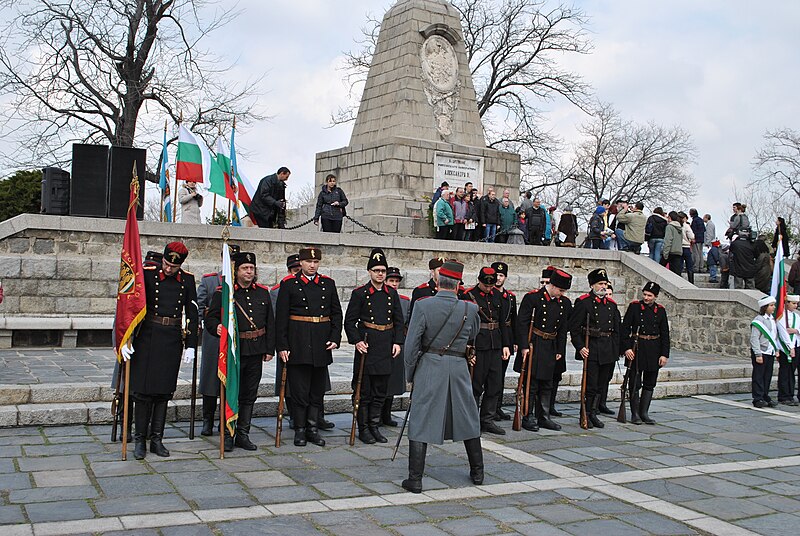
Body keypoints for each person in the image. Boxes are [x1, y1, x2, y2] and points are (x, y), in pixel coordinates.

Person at [402, 260, 483, 493]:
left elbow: (411, 345)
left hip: (429, 365)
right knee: (468, 416)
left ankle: (415, 479)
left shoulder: (423, 305)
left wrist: (410, 373)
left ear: (437, 281)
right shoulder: (470, 308)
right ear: (458, 284)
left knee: (420, 419)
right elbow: (474, 333)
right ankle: (478, 472)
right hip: (458, 366)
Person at [124, 242, 198, 460]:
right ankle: (140, 439)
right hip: (147, 336)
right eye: (166, 264)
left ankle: (157, 439)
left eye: (173, 267)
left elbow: (192, 313)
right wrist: (127, 337)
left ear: (180, 265)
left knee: (164, 392)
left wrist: (192, 344)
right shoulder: (148, 275)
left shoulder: (187, 280)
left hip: (171, 338)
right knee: (143, 391)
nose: (168, 269)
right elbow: (132, 305)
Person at [206, 251, 275, 451]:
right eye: (245, 268)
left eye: (252, 268)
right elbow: (211, 318)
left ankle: (243, 434)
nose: (249, 272)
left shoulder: (262, 292)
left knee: (249, 394)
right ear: (236, 271)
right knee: (231, 393)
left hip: (256, 350)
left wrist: (269, 348)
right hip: (234, 352)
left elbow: (270, 322)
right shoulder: (224, 292)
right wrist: (216, 327)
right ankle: (228, 433)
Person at [275, 247, 343, 447]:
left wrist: (335, 337)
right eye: (308, 262)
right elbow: (281, 318)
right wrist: (282, 345)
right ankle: (300, 429)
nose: (312, 265)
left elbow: (336, 314)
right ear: (301, 263)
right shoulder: (289, 284)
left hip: (321, 341)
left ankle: (313, 428)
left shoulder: (327, 284)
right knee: (299, 391)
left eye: (316, 262)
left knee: (316, 391)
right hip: (298, 341)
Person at [344, 249, 405, 444]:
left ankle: (374, 425)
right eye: (377, 270)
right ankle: (363, 428)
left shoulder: (392, 294)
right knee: (365, 392)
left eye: (383, 270)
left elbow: (398, 320)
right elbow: (349, 321)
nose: (380, 274)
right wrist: (356, 341)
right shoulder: (360, 293)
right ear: (369, 272)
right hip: (367, 346)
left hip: (385, 345)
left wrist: (397, 342)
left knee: (380, 391)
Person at [515, 268, 573, 432]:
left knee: (547, 383)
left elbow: (562, 328)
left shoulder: (563, 303)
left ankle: (544, 416)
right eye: (560, 290)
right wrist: (524, 347)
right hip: (535, 343)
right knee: (531, 383)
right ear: (552, 285)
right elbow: (522, 324)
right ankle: (528, 415)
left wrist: (560, 350)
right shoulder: (533, 298)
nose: (561, 294)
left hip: (551, 345)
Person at [196, 243, 241, 437]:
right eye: (228, 259)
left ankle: (227, 418)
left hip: (234, 338)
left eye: (234, 261)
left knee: (230, 379)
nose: (231, 264)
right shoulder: (209, 281)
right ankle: (207, 419)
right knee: (211, 379)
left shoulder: (241, 282)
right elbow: (199, 307)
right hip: (214, 336)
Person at [569, 268, 621, 429]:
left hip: (608, 349)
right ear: (592, 285)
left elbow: (617, 329)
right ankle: (586, 413)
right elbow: (575, 328)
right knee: (591, 385)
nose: (603, 287)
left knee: (602, 383)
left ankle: (594, 411)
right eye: (600, 284)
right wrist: (580, 347)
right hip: (592, 348)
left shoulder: (611, 304)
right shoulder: (583, 302)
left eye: (605, 283)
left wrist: (617, 350)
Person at [464, 267, 512, 435]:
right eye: (486, 285)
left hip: (495, 345)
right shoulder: (469, 296)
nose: (489, 288)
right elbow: (465, 325)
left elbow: (503, 323)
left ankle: (487, 420)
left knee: (494, 384)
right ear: (480, 280)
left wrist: (506, 345)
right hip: (478, 345)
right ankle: (472, 420)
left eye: (491, 285)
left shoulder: (499, 297)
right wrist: (468, 349)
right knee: (475, 385)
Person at [621, 282, 670, 425]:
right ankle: (635, 414)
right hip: (637, 348)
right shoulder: (635, 307)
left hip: (654, 349)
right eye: (645, 294)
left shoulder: (660, 310)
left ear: (655, 296)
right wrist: (627, 348)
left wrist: (664, 354)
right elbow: (625, 329)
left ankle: (644, 413)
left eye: (650, 295)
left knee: (650, 383)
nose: (646, 298)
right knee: (635, 382)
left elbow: (665, 334)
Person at [383, 267, 410, 426]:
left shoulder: (405, 301)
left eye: (396, 281)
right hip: (382, 341)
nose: (394, 284)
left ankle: (387, 413)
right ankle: (377, 414)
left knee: (393, 381)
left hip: (398, 343)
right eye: (391, 281)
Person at [490, 261, 516, 421]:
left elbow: (514, 320)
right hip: (492, 337)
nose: (498, 278)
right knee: (490, 376)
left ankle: (497, 407)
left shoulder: (510, 297)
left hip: (505, 338)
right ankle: (489, 408)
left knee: (500, 375)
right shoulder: (488, 294)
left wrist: (514, 341)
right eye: (496, 275)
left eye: (501, 275)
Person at [750, 296, 781, 408]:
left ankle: (764, 395)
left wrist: (776, 349)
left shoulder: (772, 319)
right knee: (759, 375)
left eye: (773, 305)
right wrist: (758, 354)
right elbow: (754, 338)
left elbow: (774, 336)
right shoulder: (759, 320)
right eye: (771, 305)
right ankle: (757, 398)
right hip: (761, 352)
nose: (774, 307)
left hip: (770, 351)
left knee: (767, 375)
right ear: (765, 307)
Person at [777, 295, 800, 405]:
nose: (795, 305)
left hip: (797, 345)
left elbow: (797, 331)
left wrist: (796, 331)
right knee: (786, 371)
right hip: (786, 348)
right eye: (793, 303)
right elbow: (783, 333)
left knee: (792, 371)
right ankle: (784, 395)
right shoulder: (781, 316)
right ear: (786, 303)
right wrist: (790, 347)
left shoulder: (797, 316)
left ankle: (791, 394)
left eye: (796, 303)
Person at [679, 212, 695, 283]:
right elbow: (691, 236)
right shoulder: (686, 226)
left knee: (679, 266)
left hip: (678, 247)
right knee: (689, 266)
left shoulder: (675, 225)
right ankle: (691, 281)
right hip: (686, 246)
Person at [704, 214, 719, 283]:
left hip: (709, 242)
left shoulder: (709, 225)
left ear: (707, 218)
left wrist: (707, 242)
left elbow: (709, 234)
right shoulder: (711, 224)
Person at [689, 208, 705, 273]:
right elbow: (703, 229)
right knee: (700, 253)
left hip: (696, 239)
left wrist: (694, 238)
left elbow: (694, 230)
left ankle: (696, 267)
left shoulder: (694, 221)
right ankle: (701, 267)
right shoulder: (700, 220)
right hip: (701, 239)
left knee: (696, 253)